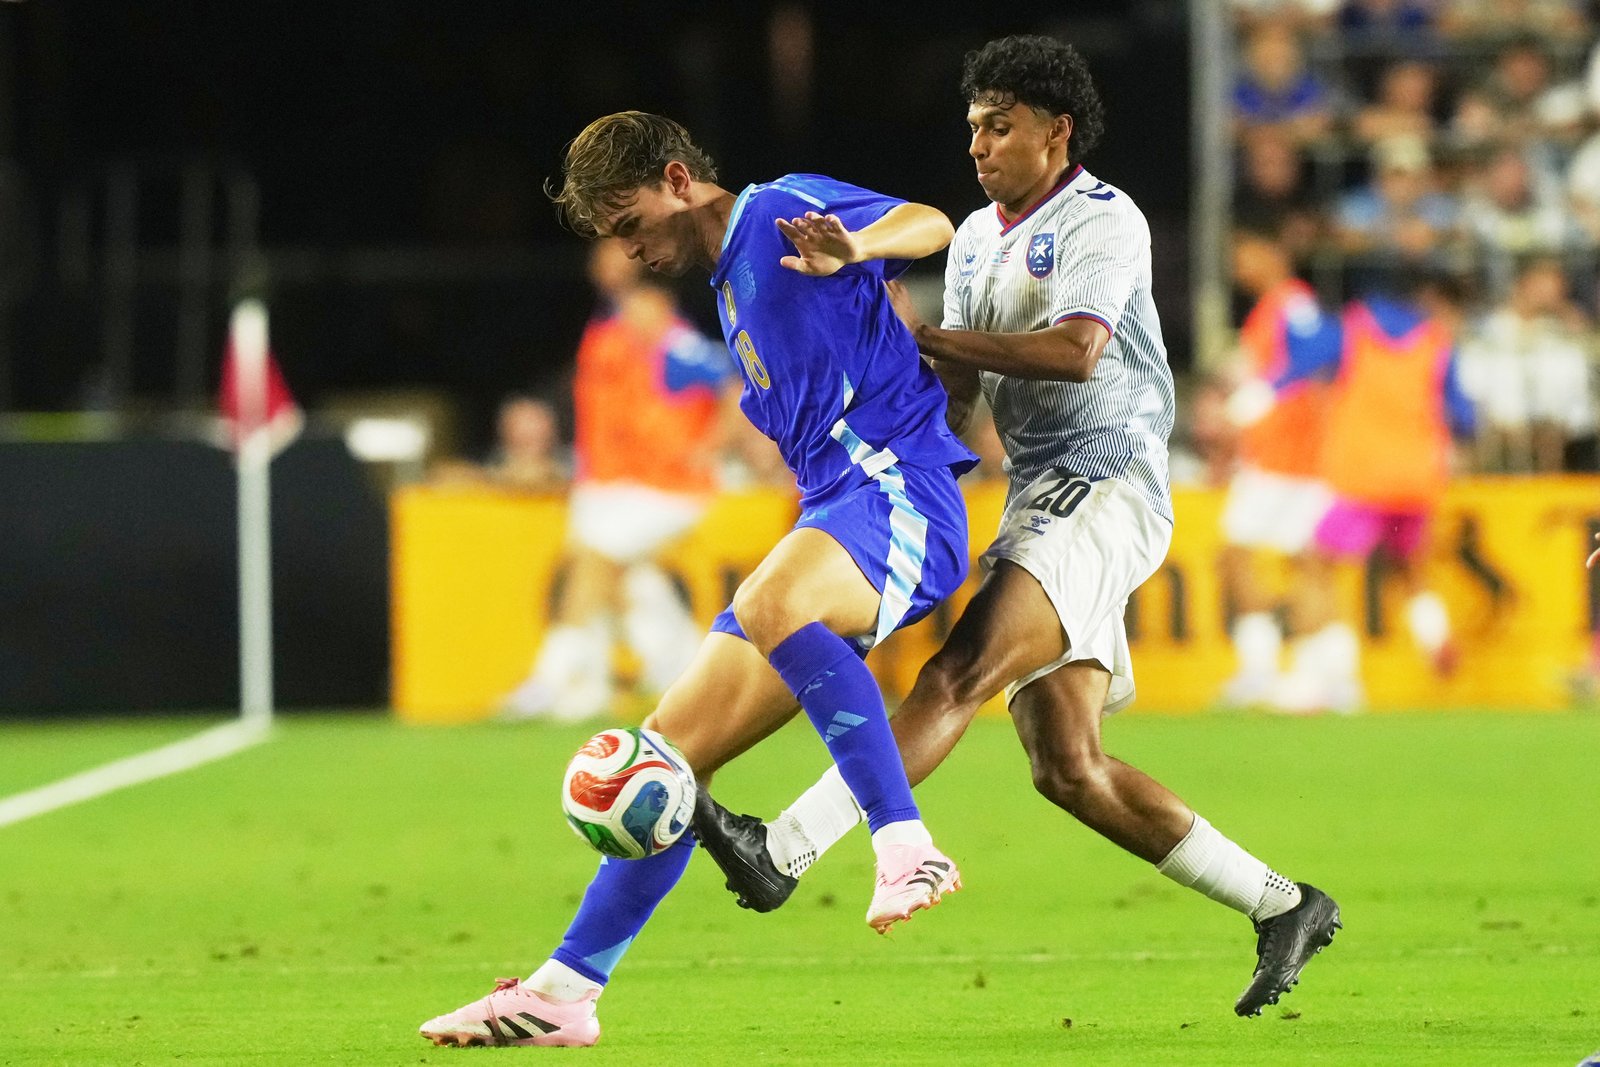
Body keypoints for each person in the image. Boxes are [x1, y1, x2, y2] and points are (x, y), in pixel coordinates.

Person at [691, 34, 1342, 1020]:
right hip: (1039, 493)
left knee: (954, 673)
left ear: (1055, 130)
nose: (980, 146)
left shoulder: (1102, 219)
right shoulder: (976, 236)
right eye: (971, 129)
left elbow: (1076, 352)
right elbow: (957, 384)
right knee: (1066, 767)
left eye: (999, 127)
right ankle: (1282, 902)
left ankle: (780, 848)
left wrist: (924, 336)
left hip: (1105, 484)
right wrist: (890, 421)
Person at [420, 111, 979, 1047]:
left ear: (678, 178)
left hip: (900, 494)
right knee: (663, 757)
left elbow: (935, 223)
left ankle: (906, 844)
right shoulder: (726, 287)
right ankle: (565, 992)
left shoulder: (776, 213)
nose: (629, 249)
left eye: (628, 220)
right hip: (835, 511)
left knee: (769, 601)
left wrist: (861, 245)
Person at [501, 239, 737, 721]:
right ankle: (665, 677)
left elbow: (731, 381)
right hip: (612, 484)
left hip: (663, 488)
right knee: (629, 583)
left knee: (594, 559)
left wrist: (711, 445)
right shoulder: (608, 326)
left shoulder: (662, 329)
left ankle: (552, 675)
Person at [1272, 273, 1477, 712]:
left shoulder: (1353, 329)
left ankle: (1325, 677)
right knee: (1410, 570)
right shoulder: (1437, 342)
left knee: (1316, 566)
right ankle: (1434, 637)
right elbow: (1463, 414)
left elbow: (1302, 363)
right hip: (1417, 479)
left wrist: (1262, 393)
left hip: (1360, 477)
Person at [1217, 222, 1338, 705]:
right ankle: (1264, 668)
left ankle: (1304, 676)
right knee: (1243, 556)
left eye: (1243, 253)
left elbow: (1324, 346)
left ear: (1270, 252)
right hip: (1271, 460)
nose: (1237, 267)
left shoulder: (1292, 300)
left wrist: (1271, 389)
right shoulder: (1267, 311)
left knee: (1297, 563)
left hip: (1294, 462)